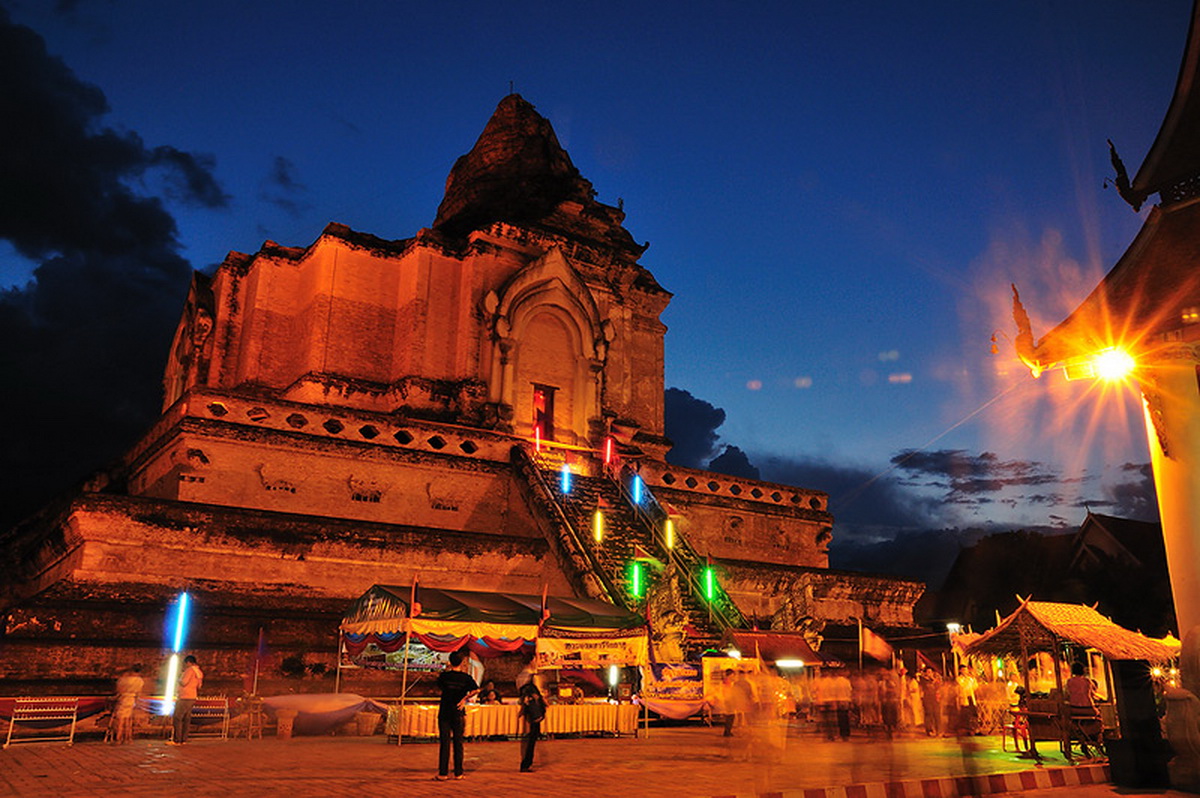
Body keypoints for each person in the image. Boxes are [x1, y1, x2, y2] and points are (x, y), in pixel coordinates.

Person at [435, 649, 479, 780]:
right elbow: (476, 690)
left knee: (444, 743)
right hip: (458, 712)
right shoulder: (466, 678)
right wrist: (464, 699)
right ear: (462, 662)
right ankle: (458, 772)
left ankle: (443, 773)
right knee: (458, 743)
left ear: (450, 661)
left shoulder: (444, 676)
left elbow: (440, 688)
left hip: (444, 711)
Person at [1066, 662, 1100, 758]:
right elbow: (1090, 694)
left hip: (1074, 709)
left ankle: (1082, 741)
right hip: (1087, 708)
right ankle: (1096, 737)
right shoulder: (1087, 681)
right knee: (1099, 716)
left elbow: (1069, 693)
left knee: (1077, 723)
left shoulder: (1069, 681)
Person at [171, 655, 203, 745]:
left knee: (178, 717)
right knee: (186, 719)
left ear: (188, 662)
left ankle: (177, 739)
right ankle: (184, 739)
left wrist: (178, 678)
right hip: (192, 696)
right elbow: (199, 685)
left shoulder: (189, 670)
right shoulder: (199, 672)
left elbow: (184, 682)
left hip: (184, 696)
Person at [517, 682, 546, 772]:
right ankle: (526, 765)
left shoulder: (529, 700)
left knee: (530, 744)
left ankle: (527, 764)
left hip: (533, 723)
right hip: (532, 724)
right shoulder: (530, 701)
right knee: (529, 744)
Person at [112, 665, 144, 744]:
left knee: (120, 719)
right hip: (132, 700)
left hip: (123, 699)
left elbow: (118, 691)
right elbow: (139, 693)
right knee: (128, 720)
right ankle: (128, 738)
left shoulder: (123, 680)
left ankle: (118, 738)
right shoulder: (140, 681)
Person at [955, 665, 978, 736]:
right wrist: (968, 681)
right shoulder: (959, 679)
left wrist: (973, 679)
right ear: (960, 671)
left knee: (973, 713)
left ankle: (973, 728)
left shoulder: (970, 678)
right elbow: (963, 686)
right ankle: (966, 729)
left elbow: (975, 686)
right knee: (965, 714)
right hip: (964, 698)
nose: (965, 671)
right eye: (963, 670)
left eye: (966, 670)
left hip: (971, 697)